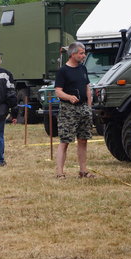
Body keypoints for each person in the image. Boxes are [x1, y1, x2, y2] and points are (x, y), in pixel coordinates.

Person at [54, 42, 94, 179]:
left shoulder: (83, 69)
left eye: (84, 53)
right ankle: (60, 173)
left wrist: (89, 107)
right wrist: (69, 97)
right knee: (65, 141)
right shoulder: (63, 71)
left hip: (84, 108)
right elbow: (58, 91)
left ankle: (83, 171)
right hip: (68, 110)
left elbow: (87, 88)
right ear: (72, 54)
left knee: (83, 140)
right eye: (81, 53)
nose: (84, 55)